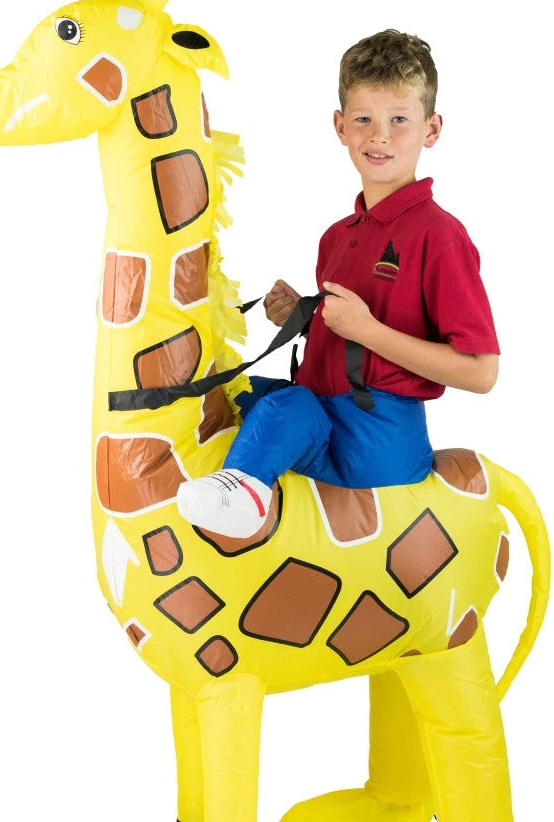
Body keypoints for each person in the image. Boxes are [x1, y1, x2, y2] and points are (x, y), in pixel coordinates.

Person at [176, 29, 500, 537]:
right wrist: (303, 319)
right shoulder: (337, 236)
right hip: (322, 414)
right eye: (363, 119)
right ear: (340, 126)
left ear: (431, 129)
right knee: (230, 394)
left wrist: (367, 330)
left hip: (379, 438)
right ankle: (215, 490)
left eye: (399, 120)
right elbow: (349, 337)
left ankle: (243, 499)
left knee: (286, 405)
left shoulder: (440, 236)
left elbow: (482, 373)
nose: (380, 137)